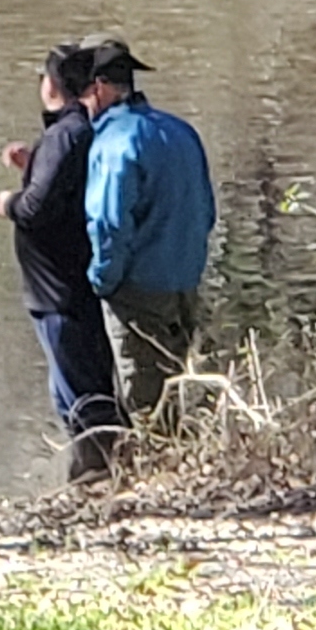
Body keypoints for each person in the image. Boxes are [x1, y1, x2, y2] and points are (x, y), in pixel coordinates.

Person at [0, 43, 128, 481]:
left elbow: (37, 209)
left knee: (80, 393)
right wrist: (34, 166)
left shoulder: (66, 134)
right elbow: (65, 191)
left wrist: (9, 202)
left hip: (59, 291)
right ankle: (94, 471)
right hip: (61, 288)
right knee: (71, 387)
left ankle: (98, 475)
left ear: (50, 85)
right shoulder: (74, 133)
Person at [79, 39, 214, 426]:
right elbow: (206, 210)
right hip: (185, 281)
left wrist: (102, 280)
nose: (85, 106)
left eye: (86, 95)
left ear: (100, 88)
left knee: (145, 401)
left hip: (138, 290)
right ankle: (185, 462)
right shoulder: (180, 130)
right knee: (179, 380)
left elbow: (108, 225)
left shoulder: (113, 142)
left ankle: (155, 476)